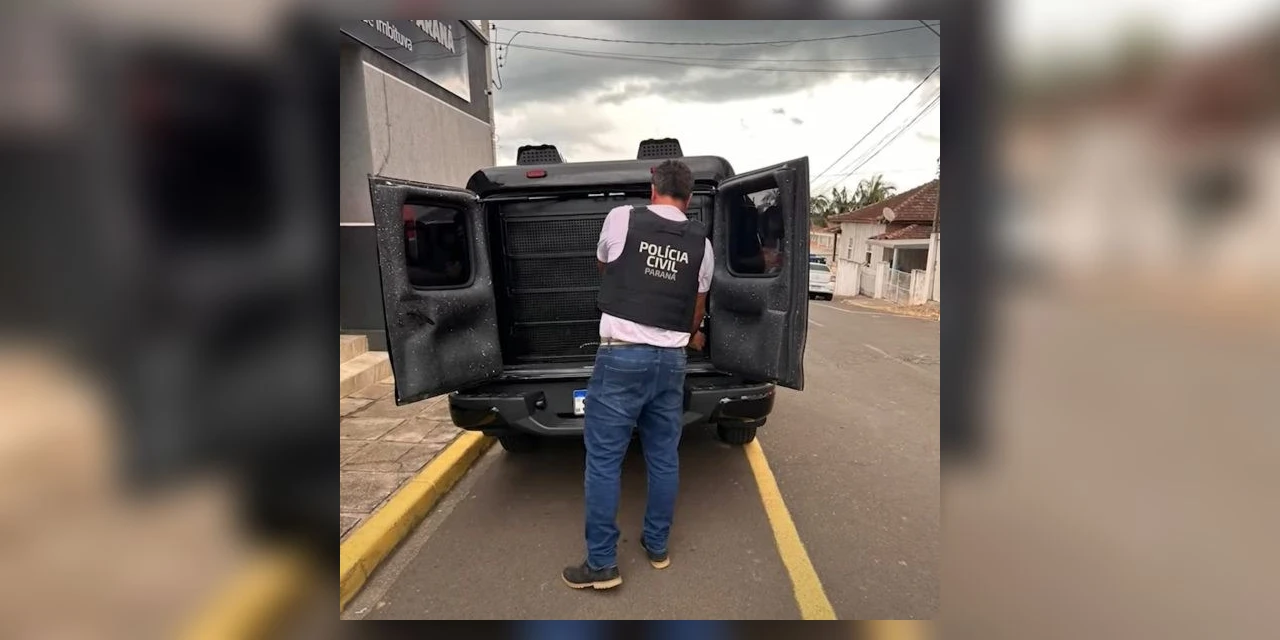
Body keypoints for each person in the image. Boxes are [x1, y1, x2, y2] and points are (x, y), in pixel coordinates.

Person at [562, 159, 713, 590]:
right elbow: (697, 307)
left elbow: (607, 269)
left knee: (605, 460)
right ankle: (657, 546)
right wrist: (685, 331)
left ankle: (602, 564)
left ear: (653, 188)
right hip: (671, 362)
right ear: (689, 197)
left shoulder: (621, 218)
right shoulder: (702, 243)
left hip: (621, 358)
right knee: (664, 456)